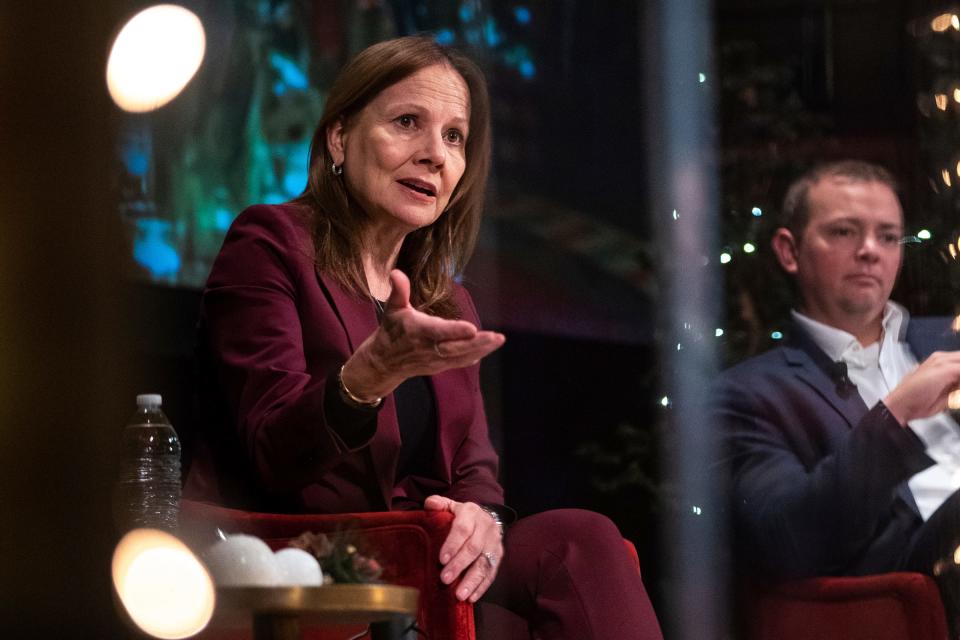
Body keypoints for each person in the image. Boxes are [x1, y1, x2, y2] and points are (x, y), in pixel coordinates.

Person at [184, 35, 663, 639]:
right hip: (310, 556)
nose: (435, 155)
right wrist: (366, 379)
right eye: (408, 122)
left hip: (424, 553)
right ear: (339, 139)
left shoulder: (446, 298)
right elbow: (273, 451)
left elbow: (475, 470)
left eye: (454, 137)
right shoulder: (271, 246)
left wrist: (480, 519)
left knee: (584, 540)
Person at [713, 159, 960, 631]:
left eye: (888, 237)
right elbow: (787, 539)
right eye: (845, 232)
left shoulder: (949, 338)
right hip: (909, 585)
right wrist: (897, 413)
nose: (870, 251)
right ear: (790, 251)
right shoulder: (746, 394)